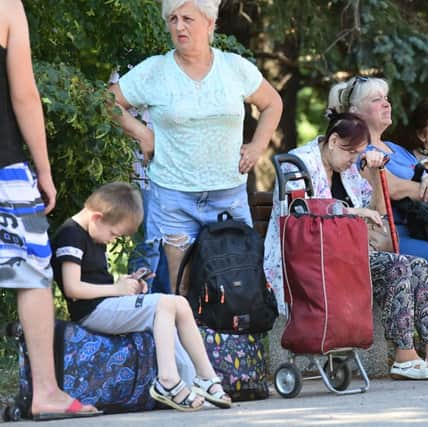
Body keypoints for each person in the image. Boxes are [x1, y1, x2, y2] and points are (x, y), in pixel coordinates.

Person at [264, 112, 428, 379]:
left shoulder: (349, 168)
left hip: (345, 254)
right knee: (398, 266)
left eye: (357, 155)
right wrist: (354, 213)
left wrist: (377, 174)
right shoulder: (297, 165)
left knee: (418, 265)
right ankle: (404, 356)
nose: (353, 161)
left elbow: (378, 212)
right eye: (350, 154)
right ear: (333, 141)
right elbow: (304, 217)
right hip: (309, 260)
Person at [108, 0, 283, 294]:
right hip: (173, 198)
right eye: (173, 19)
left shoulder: (234, 68)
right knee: (176, 292)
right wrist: (142, 133)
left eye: (187, 18)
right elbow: (107, 102)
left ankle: (232, 342)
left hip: (228, 196)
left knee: (236, 289)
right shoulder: (155, 70)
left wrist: (256, 146)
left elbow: (273, 103)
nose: (179, 26)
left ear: (210, 23)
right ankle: (177, 341)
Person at [327, 78, 428, 357]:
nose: (386, 104)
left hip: (424, 228)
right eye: (376, 100)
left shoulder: (396, 150)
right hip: (390, 233)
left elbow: (427, 178)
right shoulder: (361, 151)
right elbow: (391, 188)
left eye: (387, 98)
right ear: (357, 112)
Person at [0, 1, 100, 420]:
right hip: (3, 165)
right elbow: (23, 94)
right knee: (32, 273)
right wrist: (43, 170)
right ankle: (45, 391)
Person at [51, 182, 232, 411]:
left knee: (179, 303)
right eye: (114, 234)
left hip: (108, 304)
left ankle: (204, 378)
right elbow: (72, 288)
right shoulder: (71, 235)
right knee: (164, 304)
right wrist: (117, 289)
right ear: (97, 218)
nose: (111, 240)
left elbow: (98, 281)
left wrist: (129, 283)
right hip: (91, 313)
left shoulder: (93, 232)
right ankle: (168, 381)